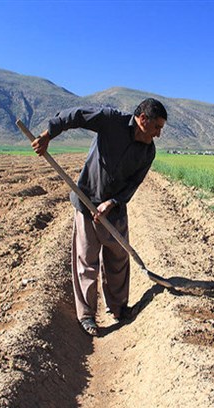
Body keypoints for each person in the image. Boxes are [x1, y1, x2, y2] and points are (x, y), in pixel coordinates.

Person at [31, 98, 167, 336]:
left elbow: (134, 184)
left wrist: (113, 203)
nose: (158, 134)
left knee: (118, 258)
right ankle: (86, 317)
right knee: (86, 260)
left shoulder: (148, 152)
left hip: (114, 208)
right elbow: (76, 115)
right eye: (157, 127)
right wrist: (47, 135)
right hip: (86, 200)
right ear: (142, 119)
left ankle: (118, 308)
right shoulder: (111, 121)